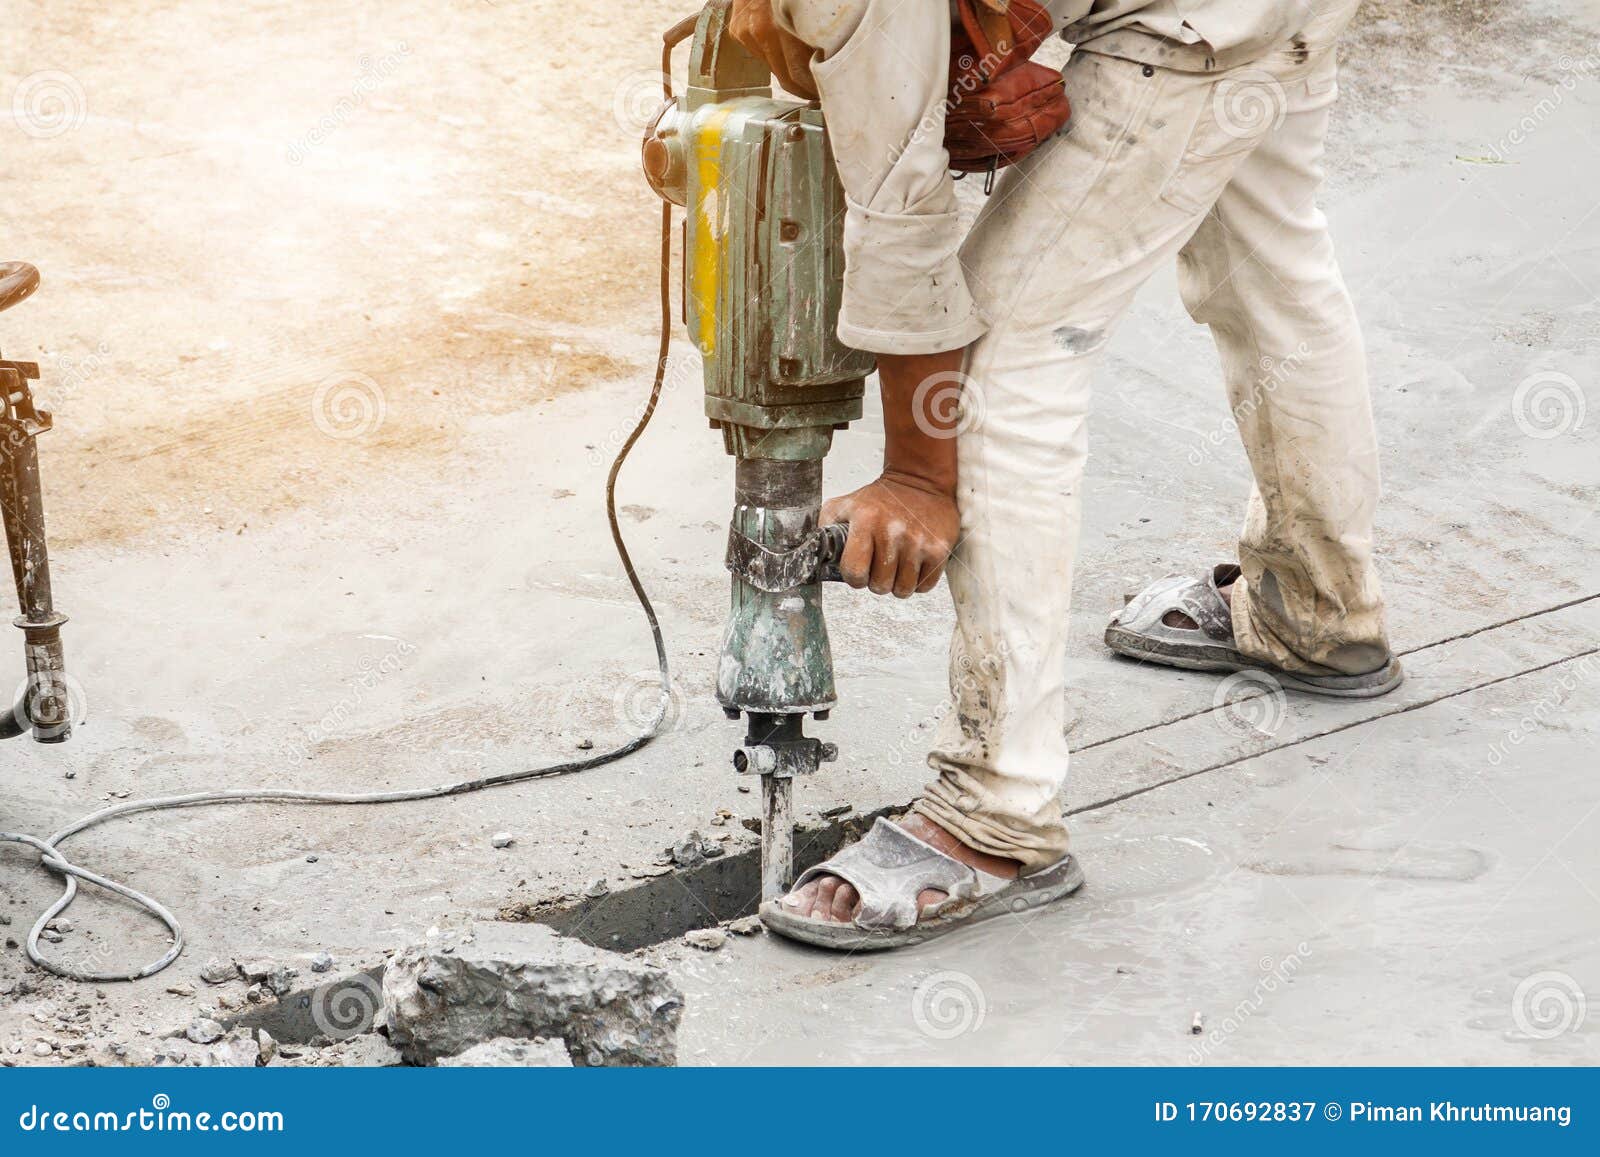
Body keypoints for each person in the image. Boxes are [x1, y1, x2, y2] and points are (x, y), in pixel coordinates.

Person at [730, 0, 1401, 950]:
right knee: (1267, 259)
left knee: (994, 368)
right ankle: (1318, 607)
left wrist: (918, 475)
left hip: (1189, 24)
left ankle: (994, 815)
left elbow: (901, 206)